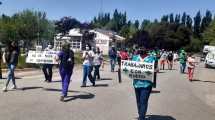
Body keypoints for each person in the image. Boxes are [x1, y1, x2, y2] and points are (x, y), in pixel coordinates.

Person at [132, 49, 155, 120]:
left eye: (144, 49)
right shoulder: (135, 58)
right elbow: (131, 68)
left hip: (146, 84)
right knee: (138, 102)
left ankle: (141, 117)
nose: (142, 51)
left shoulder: (151, 59)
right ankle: (141, 114)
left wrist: (155, 69)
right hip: (136, 84)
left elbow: (155, 69)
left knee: (143, 101)